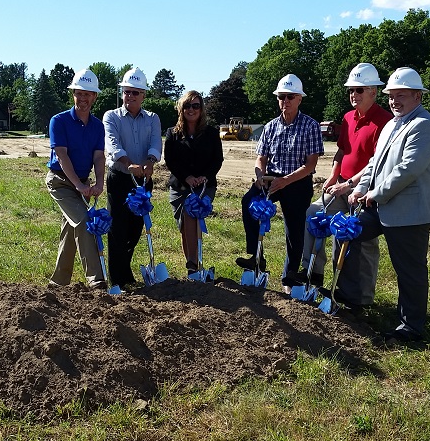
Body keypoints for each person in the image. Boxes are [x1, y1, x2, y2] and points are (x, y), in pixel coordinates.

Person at [344, 67, 430, 343]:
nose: (394, 100)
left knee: (409, 270)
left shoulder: (424, 125)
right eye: (391, 95)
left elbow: (407, 169)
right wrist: (360, 188)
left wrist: (376, 193)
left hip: (409, 212)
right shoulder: (392, 124)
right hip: (378, 205)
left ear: (418, 96)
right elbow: (374, 163)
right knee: (348, 234)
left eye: (401, 95)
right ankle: (353, 300)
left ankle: (411, 326)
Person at [298, 63, 392, 309]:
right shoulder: (349, 118)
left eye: (359, 90)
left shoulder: (385, 121)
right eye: (351, 90)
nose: (354, 95)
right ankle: (313, 274)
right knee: (313, 215)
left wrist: (349, 185)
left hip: (366, 191)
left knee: (361, 241)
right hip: (341, 185)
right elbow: (342, 150)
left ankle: (361, 298)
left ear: (374, 91)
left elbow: (376, 163)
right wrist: (333, 176)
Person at [236, 74, 324, 290]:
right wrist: (260, 176)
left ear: (299, 99)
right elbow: (261, 157)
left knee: (294, 230)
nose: (285, 101)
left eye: (290, 97)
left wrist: (286, 181)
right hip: (271, 178)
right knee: (249, 203)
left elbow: (311, 165)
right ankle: (255, 257)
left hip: (297, 180)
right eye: (281, 97)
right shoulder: (271, 126)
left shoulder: (310, 126)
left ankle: (290, 277)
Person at [45, 69, 106, 289]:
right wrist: (79, 185)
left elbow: (99, 157)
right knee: (84, 221)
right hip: (61, 182)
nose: (83, 98)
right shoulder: (58, 121)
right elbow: (61, 156)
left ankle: (59, 282)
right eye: (79, 93)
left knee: (70, 230)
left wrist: (99, 183)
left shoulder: (98, 126)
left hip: (82, 182)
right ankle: (96, 280)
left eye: (88, 94)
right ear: (73, 94)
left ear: (94, 97)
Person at [103, 67, 163, 288]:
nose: (130, 96)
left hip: (143, 181)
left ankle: (124, 271)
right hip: (119, 178)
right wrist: (129, 165)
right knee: (117, 228)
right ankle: (118, 279)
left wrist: (149, 162)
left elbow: (156, 143)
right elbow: (112, 144)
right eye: (127, 92)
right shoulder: (111, 116)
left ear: (143, 95)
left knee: (136, 228)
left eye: (135, 92)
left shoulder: (152, 119)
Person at [164, 91, 224, 273]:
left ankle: (193, 263)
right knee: (184, 225)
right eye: (187, 106)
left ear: (201, 109)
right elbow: (170, 160)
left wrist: (204, 176)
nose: (191, 109)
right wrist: (187, 177)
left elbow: (217, 159)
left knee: (191, 215)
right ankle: (192, 265)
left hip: (205, 186)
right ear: (181, 109)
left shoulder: (211, 133)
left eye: (195, 106)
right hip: (180, 186)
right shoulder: (172, 134)